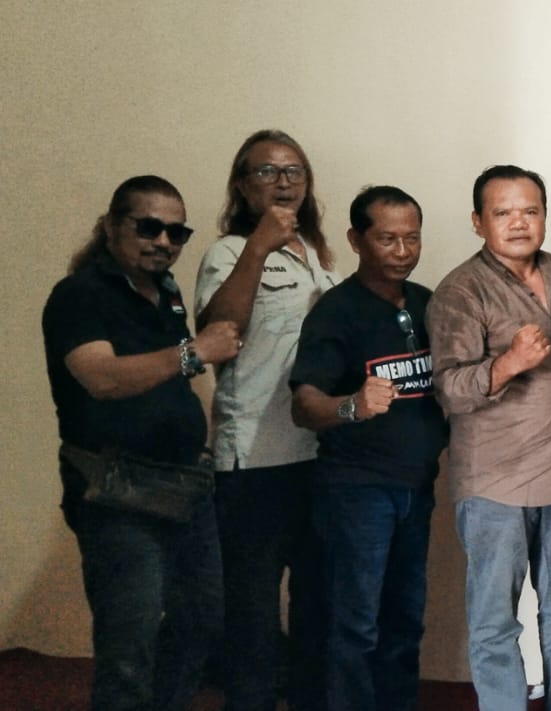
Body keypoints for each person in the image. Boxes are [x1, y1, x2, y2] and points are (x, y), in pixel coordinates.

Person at [42, 175, 239, 711]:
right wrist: (195, 352)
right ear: (111, 226)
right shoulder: (79, 295)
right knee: (130, 638)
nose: (164, 241)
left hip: (184, 486)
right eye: (149, 227)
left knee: (203, 618)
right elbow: (101, 378)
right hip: (117, 490)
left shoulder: (166, 295)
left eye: (177, 232)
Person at [428, 165, 551, 711]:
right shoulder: (461, 290)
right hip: (494, 481)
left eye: (530, 211)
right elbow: (449, 389)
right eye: (503, 213)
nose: (519, 223)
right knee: (495, 618)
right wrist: (508, 364)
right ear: (479, 222)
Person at [289, 185, 447, 711]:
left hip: (416, 488)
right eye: (387, 239)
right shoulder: (336, 312)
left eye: (412, 238)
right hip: (356, 492)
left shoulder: (426, 303)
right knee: (356, 626)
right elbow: (304, 404)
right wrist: (352, 406)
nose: (402, 251)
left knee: (405, 620)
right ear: (356, 240)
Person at [196, 129, 338, 711]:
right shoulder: (229, 253)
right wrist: (257, 247)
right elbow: (220, 335)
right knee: (252, 616)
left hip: (319, 456)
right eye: (268, 171)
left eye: (294, 171)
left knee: (317, 609)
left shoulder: (319, 258)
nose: (283, 182)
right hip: (254, 462)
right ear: (241, 185)